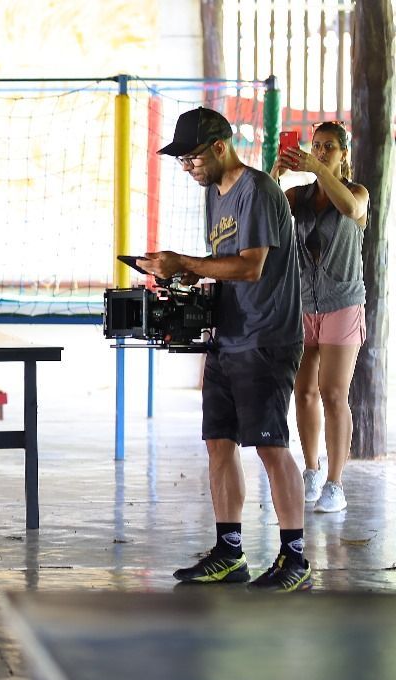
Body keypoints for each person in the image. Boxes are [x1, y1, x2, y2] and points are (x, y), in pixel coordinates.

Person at [142, 107, 310, 592]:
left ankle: (295, 558)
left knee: (270, 445)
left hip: (265, 337)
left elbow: (251, 266)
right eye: (181, 160)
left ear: (220, 147)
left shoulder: (256, 190)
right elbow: (223, 262)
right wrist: (186, 273)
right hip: (228, 335)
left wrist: (186, 261)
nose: (188, 166)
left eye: (192, 157)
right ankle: (229, 552)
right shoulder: (215, 195)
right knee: (219, 443)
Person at [272, 122, 368, 514]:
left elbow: (350, 209)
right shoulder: (299, 196)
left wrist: (317, 167)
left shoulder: (355, 192)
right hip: (303, 303)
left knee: (332, 393)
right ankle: (311, 470)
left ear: (343, 154)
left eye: (329, 146)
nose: (322, 150)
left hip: (342, 302)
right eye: (316, 146)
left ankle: (335, 482)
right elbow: (267, 212)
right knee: (304, 392)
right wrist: (276, 174)